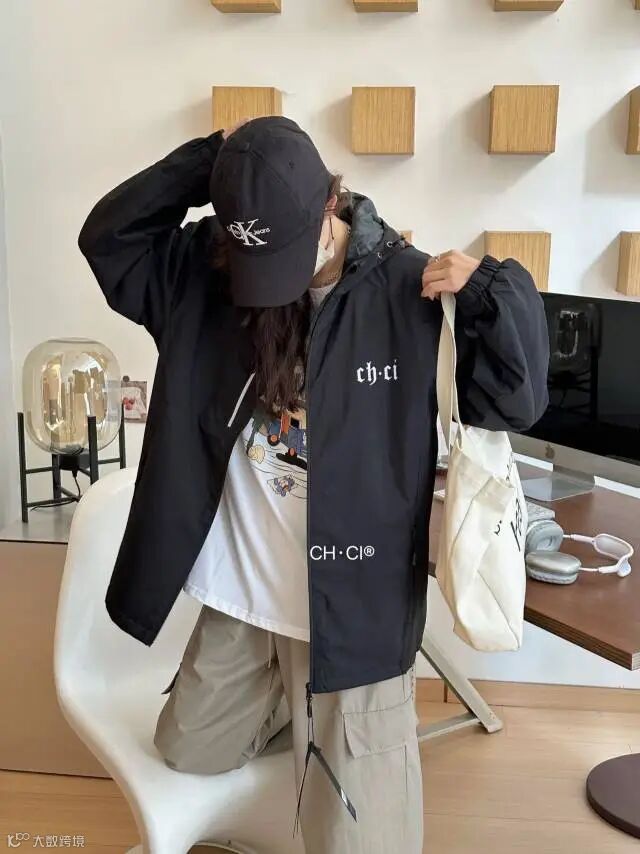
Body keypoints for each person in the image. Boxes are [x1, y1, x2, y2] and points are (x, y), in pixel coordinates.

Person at [78, 115, 549, 853]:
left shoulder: (409, 288)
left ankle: (330, 717)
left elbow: (517, 402)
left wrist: (496, 292)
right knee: (188, 750)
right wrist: (213, 165)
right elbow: (108, 239)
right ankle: (292, 705)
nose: (272, 284)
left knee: (362, 843)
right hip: (246, 598)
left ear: (331, 203)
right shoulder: (208, 271)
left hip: (353, 609)